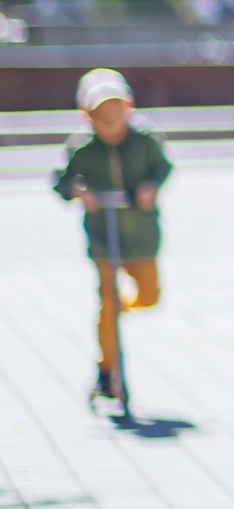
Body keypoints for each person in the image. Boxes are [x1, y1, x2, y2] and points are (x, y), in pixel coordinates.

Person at [52, 68, 173, 402]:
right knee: (106, 304)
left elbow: (163, 167)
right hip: (104, 236)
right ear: (87, 117)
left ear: (129, 110)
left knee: (149, 295)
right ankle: (108, 369)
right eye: (101, 117)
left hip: (140, 234)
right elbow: (61, 181)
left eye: (115, 114)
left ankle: (121, 309)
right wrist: (78, 191)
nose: (110, 124)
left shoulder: (145, 141)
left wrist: (150, 186)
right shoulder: (82, 149)